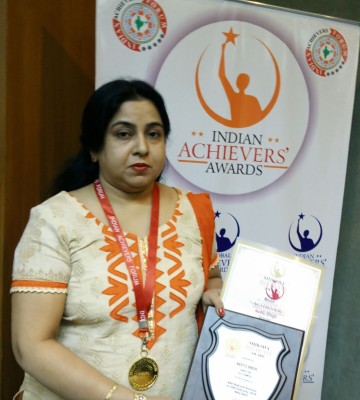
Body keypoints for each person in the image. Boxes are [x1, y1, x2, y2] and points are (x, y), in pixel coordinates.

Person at [11, 79, 224, 400]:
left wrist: (212, 293)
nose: (142, 147)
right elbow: (30, 346)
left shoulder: (194, 212)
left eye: (153, 134)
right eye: (124, 134)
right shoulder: (55, 220)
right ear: (94, 148)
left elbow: (211, 277)